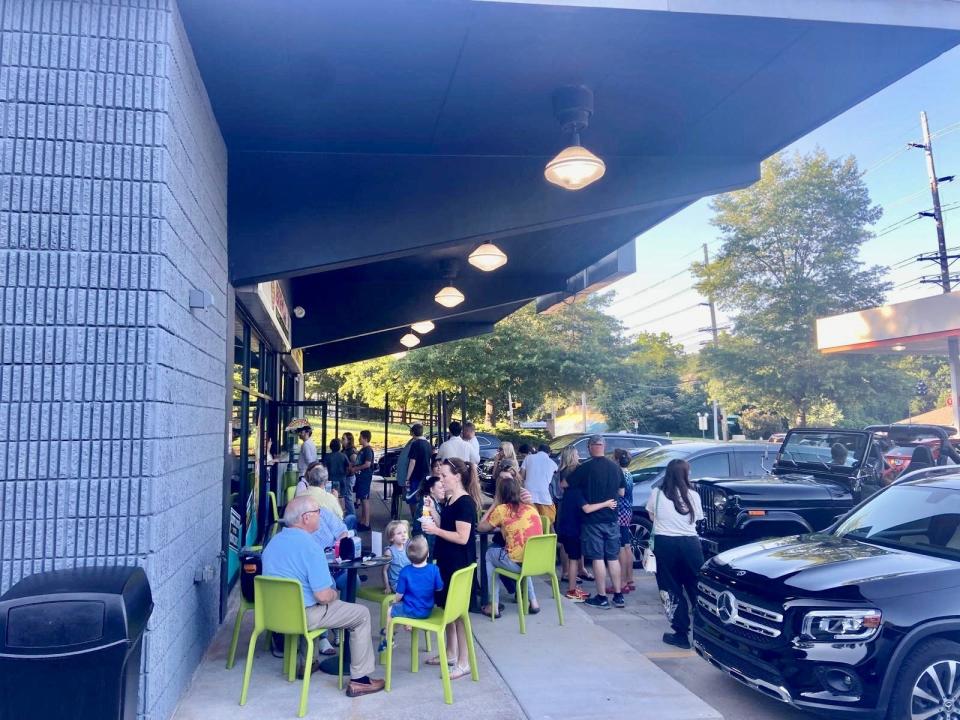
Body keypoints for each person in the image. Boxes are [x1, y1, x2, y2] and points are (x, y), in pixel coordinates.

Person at [262, 495, 384, 696]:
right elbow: (323, 596)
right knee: (361, 614)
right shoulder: (311, 548)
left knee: (308, 600)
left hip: (274, 615)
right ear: (306, 518)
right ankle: (361, 680)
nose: (322, 516)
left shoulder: (272, 543)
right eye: (318, 512)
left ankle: (307, 662)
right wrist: (334, 594)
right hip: (304, 617)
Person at [421, 457, 480, 679]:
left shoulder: (465, 503)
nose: (441, 479)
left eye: (445, 475)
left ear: (457, 477)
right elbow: (444, 523)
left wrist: (435, 532)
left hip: (458, 564)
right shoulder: (450, 499)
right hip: (447, 562)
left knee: (459, 615)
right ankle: (450, 653)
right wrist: (432, 511)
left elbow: (462, 537)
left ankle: (464, 661)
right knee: (448, 611)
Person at [645, 459, 704, 649]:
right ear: (685, 475)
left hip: (665, 544)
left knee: (670, 588)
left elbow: (652, 516)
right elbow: (698, 518)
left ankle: (680, 632)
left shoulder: (657, 494)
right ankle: (704, 630)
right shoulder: (694, 495)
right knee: (696, 587)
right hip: (690, 545)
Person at [569, 435, 626, 609]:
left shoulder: (584, 469)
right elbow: (622, 492)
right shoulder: (616, 468)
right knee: (613, 558)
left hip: (592, 520)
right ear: (604, 446)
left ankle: (601, 597)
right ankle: (618, 595)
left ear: (590, 447)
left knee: (598, 558)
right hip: (612, 519)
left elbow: (567, 483)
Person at [478, 470, 543, 617]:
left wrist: (495, 503)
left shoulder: (502, 510)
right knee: (525, 553)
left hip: (517, 563)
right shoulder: (531, 509)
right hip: (536, 562)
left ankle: (492, 605)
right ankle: (533, 602)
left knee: (489, 554)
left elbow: (481, 527)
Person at [377, 536, 443, 653]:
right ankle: (394, 629)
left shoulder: (405, 571)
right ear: (427, 554)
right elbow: (439, 588)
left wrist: (395, 601)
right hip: (427, 610)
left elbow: (399, 594)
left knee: (391, 610)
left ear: (408, 557)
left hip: (411, 610)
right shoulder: (434, 569)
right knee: (398, 610)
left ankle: (388, 638)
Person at [554, 446, 591, 588]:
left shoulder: (562, 470)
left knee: (567, 540)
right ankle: (573, 571)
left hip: (565, 506)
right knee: (573, 538)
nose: (578, 456)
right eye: (576, 454)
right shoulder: (572, 470)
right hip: (575, 506)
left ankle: (569, 571)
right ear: (571, 456)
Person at [614, 449, 636, 594]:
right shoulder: (629, 473)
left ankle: (622, 582)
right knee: (627, 545)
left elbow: (621, 492)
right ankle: (629, 578)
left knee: (621, 547)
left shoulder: (619, 474)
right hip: (628, 510)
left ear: (616, 460)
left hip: (620, 511)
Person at [520, 443, 558, 523]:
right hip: (545, 497)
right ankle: (551, 535)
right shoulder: (553, 464)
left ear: (538, 450)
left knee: (530, 522)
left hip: (529, 496)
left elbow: (521, 476)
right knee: (548, 523)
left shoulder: (528, 458)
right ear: (549, 453)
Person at [404, 424, 433, 520]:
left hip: (416, 475)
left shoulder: (415, 444)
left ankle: (415, 519)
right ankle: (424, 518)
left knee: (412, 499)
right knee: (424, 499)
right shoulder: (428, 444)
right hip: (426, 475)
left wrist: (407, 478)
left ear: (412, 432)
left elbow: (412, 462)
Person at [414, 474, 445, 555]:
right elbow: (427, 533)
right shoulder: (426, 504)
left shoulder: (434, 502)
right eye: (440, 488)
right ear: (431, 489)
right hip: (425, 548)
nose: (443, 490)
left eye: (444, 487)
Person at [354, 430, 376, 531]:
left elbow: (367, 464)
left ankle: (366, 523)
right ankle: (363, 521)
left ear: (365, 439)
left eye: (361, 437)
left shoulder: (368, 450)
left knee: (365, 499)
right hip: (360, 477)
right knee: (362, 499)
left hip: (365, 477)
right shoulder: (363, 450)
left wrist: (356, 469)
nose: (359, 439)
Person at [381, 520, 411, 592]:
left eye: (405, 532)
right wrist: (387, 587)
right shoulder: (389, 552)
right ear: (391, 538)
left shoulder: (408, 547)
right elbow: (384, 570)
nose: (403, 535)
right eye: (399, 533)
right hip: (397, 583)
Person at [324, 439, 351, 514]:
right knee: (341, 498)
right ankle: (342, 516)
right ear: (339, 447)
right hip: (341, 480)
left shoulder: (327, 456)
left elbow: (324, 469)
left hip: (330, 480)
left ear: (331, 446)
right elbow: (349, 467)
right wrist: (345, 474)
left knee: (330, 498)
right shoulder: (343, 455)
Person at [342, 432, 359, 512]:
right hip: (346, 476)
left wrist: (349, 468)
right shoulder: (345, 450)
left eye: (343, 439)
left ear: (349, 440)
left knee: (348, 496)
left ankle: (352, 516)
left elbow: (355, 462)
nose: (342, 440)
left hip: (349, 476)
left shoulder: (351, 450)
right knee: (346, 496)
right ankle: (350, 514)